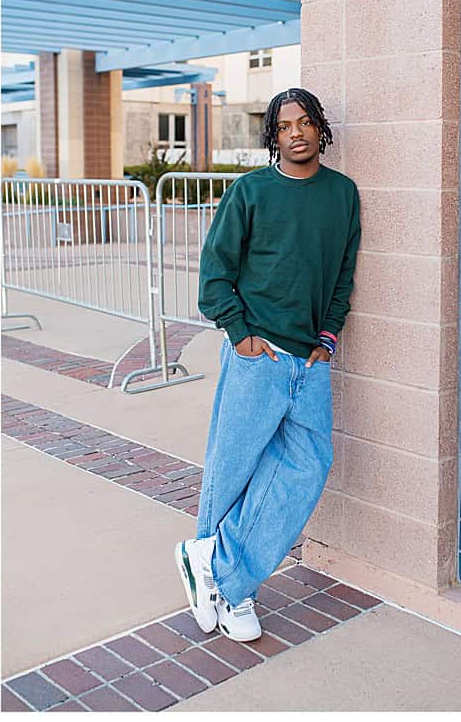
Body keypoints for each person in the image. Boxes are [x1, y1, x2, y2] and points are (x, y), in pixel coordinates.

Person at [176, 87, 360, 642]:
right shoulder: (250, 192)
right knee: (233, 469)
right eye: (284, 126)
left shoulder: (342, 194)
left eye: (305, 122)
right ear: (272, 137)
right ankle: (229, 590)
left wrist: (328, 338)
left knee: (306, 468)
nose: (296, 132)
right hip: (259, 356)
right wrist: (240, 335)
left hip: (311, 359)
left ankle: (222, 573)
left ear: (320, 129)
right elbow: (215, 274)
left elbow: (343, 272)